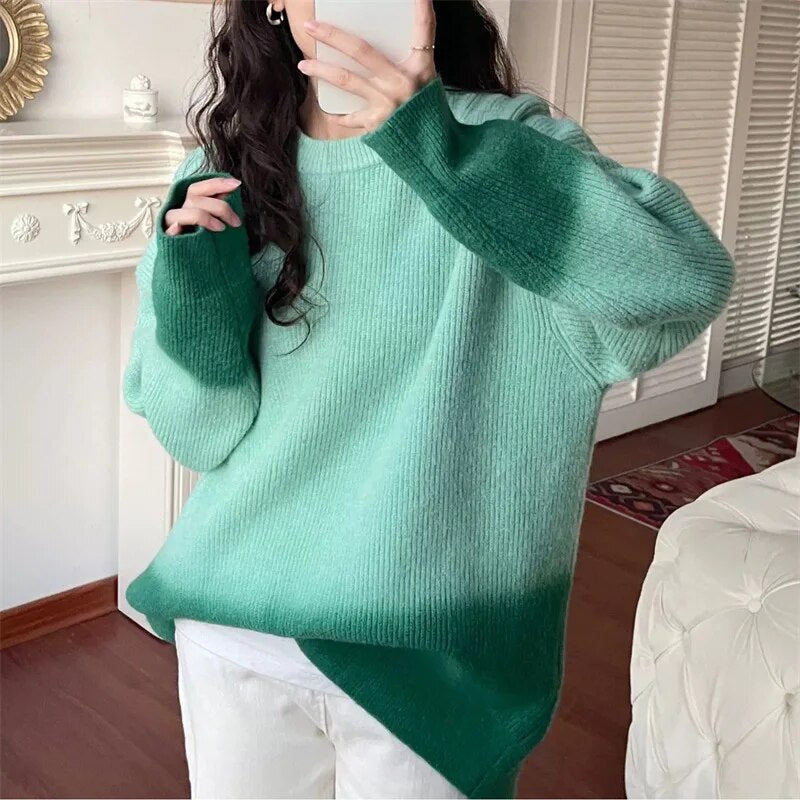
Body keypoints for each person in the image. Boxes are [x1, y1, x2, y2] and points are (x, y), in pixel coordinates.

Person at [121, 0, 736, 797]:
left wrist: (438, 149)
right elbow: (198, 435)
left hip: (431, 655)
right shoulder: (221, 173)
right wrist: (199, 291)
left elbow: (684, 279)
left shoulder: (506, 144)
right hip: (234, 627)